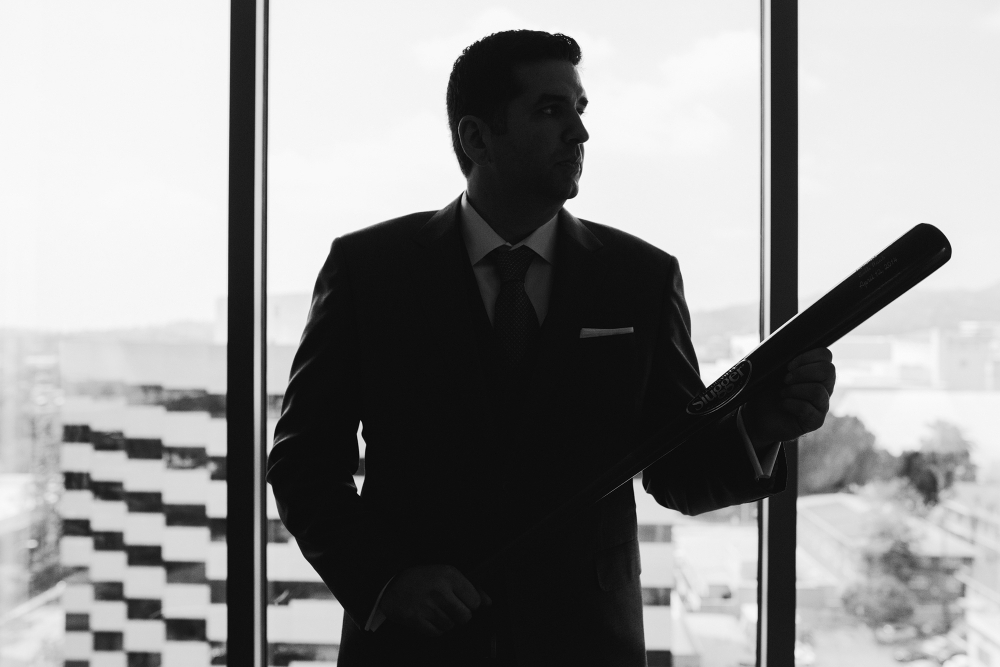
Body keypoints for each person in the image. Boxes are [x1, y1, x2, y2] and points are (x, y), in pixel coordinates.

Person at [267, 29, 836, 666]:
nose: (580, 133)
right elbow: (304, 463)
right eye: (550, 110)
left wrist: (762, 426)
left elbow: (676, 470)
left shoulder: (638, 277)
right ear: (475, 137)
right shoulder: (372, 270)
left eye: (580, 110)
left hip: (586, 641)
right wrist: (385, 582)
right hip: (416, 645)